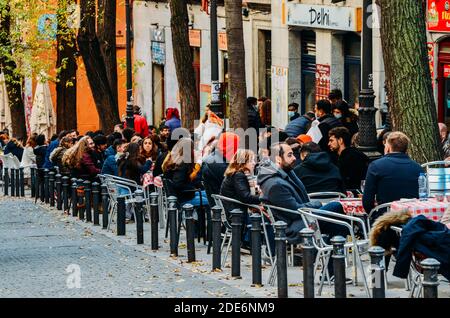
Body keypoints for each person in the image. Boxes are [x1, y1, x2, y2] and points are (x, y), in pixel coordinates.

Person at [257, 142, 347, 244]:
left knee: (340, 226)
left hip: (300, 219)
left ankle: (332, 259)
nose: (294, 158)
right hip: (294, 227)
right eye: (289, 155)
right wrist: (318, 204)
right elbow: (295, 211)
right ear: (278, 159)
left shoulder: (282, 174)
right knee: (336, 205)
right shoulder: (276, 184)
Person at [363, 131, 424, 221]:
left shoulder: (376, 166)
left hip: (385, 219)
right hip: (411, 218)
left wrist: (374, 214)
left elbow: (367, 202)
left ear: (388, 147)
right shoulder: (418, 168)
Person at [220, 149, 261, 247]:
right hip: (235, 213)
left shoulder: (237, 173)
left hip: (233, 209)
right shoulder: (239, 175)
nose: (254, 163)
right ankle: (251, 243)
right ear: (243, 162)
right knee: (263, 217)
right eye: (251, 160)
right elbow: (246, 197)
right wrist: (263, 197)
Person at [162, 137, 208, 208]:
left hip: (181, 194)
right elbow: (177, 184)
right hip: (183, 198)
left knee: (208, 194)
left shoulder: (173, 159)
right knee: (210, 199)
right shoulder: (182, 163)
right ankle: (207, 219)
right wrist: (192, 188)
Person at [201, 132, 240, 207]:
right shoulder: (221, 165)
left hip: (218, 203)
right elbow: (235, 189)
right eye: (236, 145)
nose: (238, 148)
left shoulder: (215, 156)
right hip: (228, 207)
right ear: (231, 146)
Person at [328, 127, 369, 192]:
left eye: (331, 140)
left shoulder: (346, 158)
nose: (329, 144)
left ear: (340, 140)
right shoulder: (355, 154)